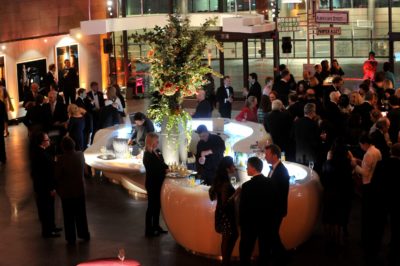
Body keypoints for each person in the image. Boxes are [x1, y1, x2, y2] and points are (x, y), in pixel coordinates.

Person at [239, 156, 277, 266]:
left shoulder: (246, 186)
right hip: (266, 221)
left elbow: (243, 207)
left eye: (247, 167)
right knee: (264, 249)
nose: (246, 169)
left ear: (253, 168)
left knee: (246, 250)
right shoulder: (270, 183)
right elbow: (273, 203)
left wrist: (241, 223)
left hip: (250, 223)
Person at [55, 136, 90, 245]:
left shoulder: (61, 159)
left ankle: (71, 238)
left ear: (63, 147)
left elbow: (57, 176)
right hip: (79, 190)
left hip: (67, 192)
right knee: (81, 214)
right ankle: (84, 234)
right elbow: (84, 171)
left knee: (68, 216)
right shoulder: (80, 155)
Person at [321, 138, 354, 244]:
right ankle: (339, 238)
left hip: (330, 193)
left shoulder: (327, 163)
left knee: (328, 216)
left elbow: (323, 179)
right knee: (339, 216)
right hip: (342, 194)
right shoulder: (347, 164)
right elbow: (349, 181)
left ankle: (328, 238)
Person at [30, 131, 61, 238]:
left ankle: (52, 227)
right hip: (45, 188)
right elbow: (45, 175)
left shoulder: (39, 152)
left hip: (42, 187)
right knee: (46, 209)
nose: (49, 141)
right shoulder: (41, 155)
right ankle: (47, 231)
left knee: (49, 208)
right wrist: (51, 188)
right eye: (47, 140)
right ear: (42, 142)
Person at [209, 156, 239, 266]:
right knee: (230, 237)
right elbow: (225, 203)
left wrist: (235, 175)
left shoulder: (223, 178)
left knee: (228, 238)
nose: (234, 167)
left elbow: (213, 195)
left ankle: (225, 261)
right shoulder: (225, 183)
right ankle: (225, 261)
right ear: (227, 168)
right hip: (226, 214)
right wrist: (236, 193)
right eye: (232, 165)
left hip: (222, 213)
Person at [265, 144, 290, 265]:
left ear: (274, 155)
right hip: (273, 209)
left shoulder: (282, 171)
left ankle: (283, 257)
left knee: (272, 234)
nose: (265, 156)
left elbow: (279, 194)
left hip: (276, 210)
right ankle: (279, 256)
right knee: (272, 234)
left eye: (267, 154)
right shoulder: (274, 169)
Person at [142, 132, 169, 237]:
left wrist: (167, 167)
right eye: (156, 141)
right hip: (152, 184)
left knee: (157, 206)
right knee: (151, 207)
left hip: (159, 183)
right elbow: (153, 169)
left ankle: (156, 226)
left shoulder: (156, 151)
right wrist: (164, 170)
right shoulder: (147, 155)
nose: (158, 143)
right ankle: (148, 230)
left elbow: (162, 163)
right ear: (151, 141)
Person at [0, 98, 7, 164]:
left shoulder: (2, 103)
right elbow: (5, 116)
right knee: (1, 142)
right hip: (0, 126)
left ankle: (3, 158)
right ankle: (3, 158)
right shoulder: (2, 103)